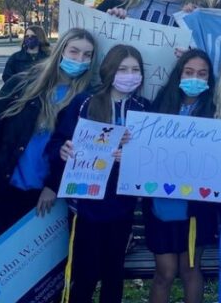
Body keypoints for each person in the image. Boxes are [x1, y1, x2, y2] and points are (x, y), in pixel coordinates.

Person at [46, 45, 150, 303]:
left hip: (123, 206)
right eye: (123, 69)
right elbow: (58, 140)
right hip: (86, 206)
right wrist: (62, 150)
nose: (129, 75)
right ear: (109, 71)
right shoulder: (84, 103)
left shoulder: (145, 108)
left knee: (113, 274)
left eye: (135, 69)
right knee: (84, 274)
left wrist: (132, 156)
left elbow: (153, 156)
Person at [0, 28, 96, 235]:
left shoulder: (87, 100)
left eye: (87, 55)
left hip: (48, 198)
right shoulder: (21, 84)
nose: (80, 59)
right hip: (6, 189)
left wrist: (53, 185)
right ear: (61, 51)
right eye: (74, 52)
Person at [145, 50, 221, 303]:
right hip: (161, 204)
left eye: (202, 74)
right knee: (165, 272)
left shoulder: (216, 109)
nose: (195, 78)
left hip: (196, 208)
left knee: (191, 269)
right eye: (189, 72)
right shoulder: (161, 102)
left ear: (210, 78)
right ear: (179, 74)